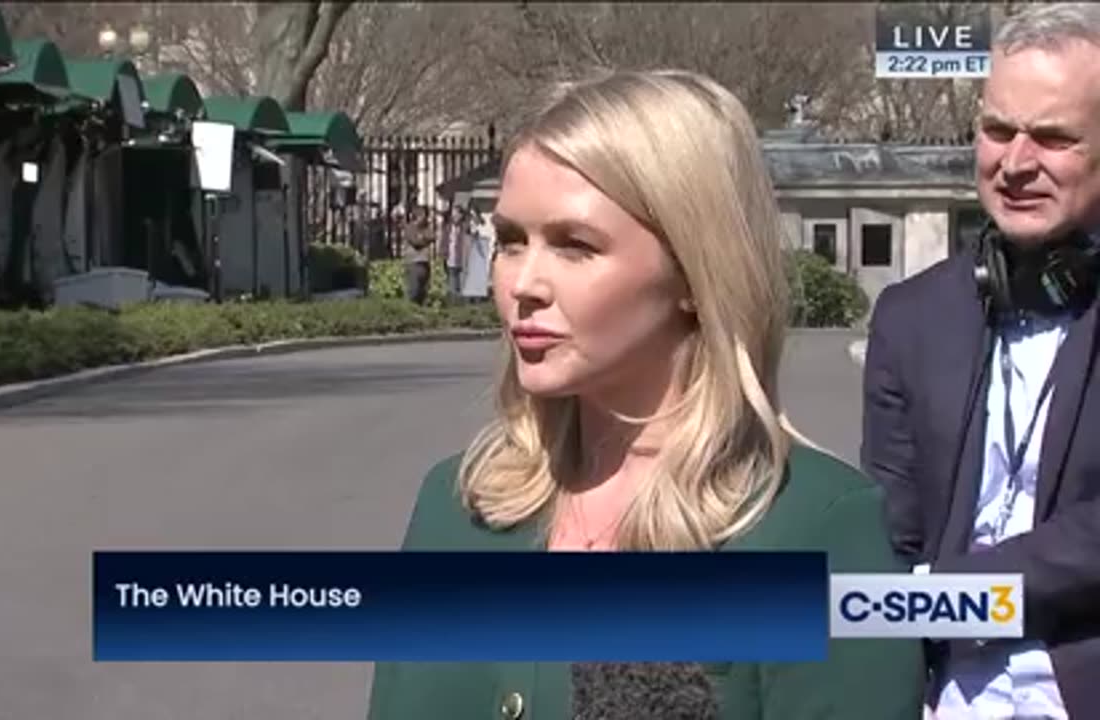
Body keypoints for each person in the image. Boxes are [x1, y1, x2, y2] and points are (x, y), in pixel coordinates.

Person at [367, 69, 923, 720]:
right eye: (512, 241)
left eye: (575, 245)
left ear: (694, 272)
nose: (525, 283)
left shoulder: (816, 528)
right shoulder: (457, 507)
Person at [861, 4, 1100, 718]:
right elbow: (888, 532)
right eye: (998, 130)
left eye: (1054, 138)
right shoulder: (910, 317)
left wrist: (948, 596)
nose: (1015, 163)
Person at [400, 206, 433, 304]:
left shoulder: (426, 227)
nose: (426, 218)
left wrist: (423, 237)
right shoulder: (410, 228)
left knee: (423, 290)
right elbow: (415, 242)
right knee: (413, 290)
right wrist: (424, 239)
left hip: (425, 261)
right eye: (423, 216)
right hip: (413, 262)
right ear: (417, 216)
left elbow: (432, 236)